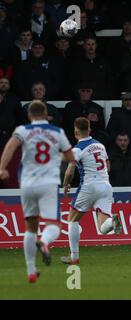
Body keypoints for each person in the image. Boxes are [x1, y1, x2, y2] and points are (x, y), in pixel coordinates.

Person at [0, 101, 74, 283]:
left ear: (29, 115)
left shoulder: (23, 130)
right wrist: (60, 154)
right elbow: (70, 157)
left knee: (30, 227)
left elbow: (10, 146)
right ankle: (45, 242)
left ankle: (31, 271)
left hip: (27, 183)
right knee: (54, 226)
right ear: (46, 113)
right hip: (48, 183)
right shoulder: (57, 132)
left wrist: (2, 168)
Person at [60, 117, 122, 265]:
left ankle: (74, 257)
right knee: (102, 227)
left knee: (72, 220)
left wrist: (66, 184)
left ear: (75, 132)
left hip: (89, 186)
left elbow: (70, 171)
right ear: (89, 130)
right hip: (106, 186)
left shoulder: (77, 149)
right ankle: (112, 222)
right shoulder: (100, 146)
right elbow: (108, 166)